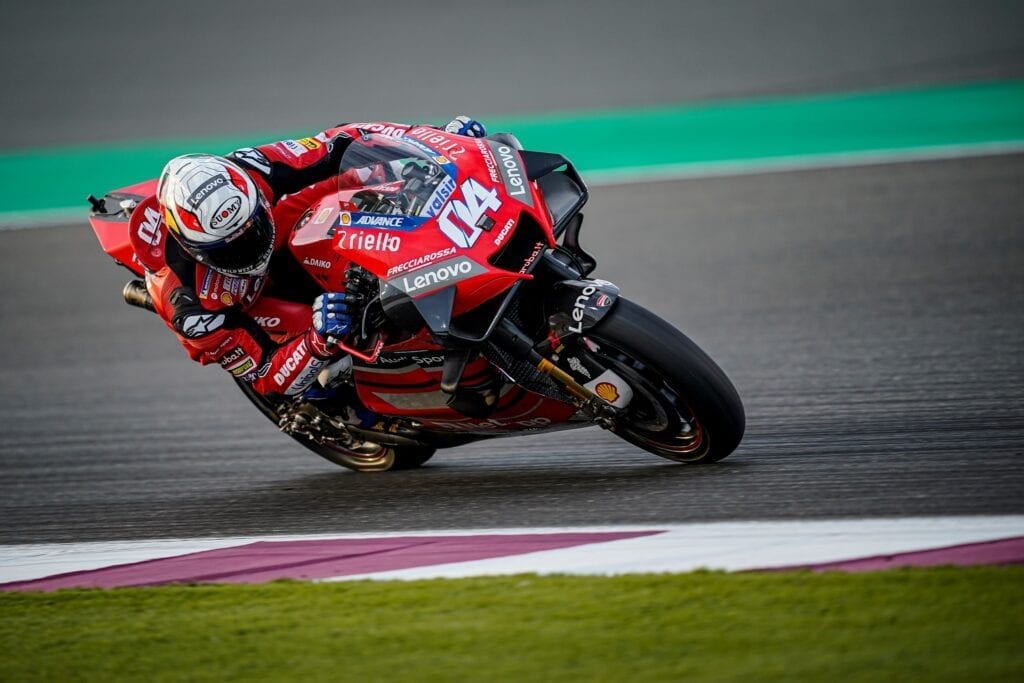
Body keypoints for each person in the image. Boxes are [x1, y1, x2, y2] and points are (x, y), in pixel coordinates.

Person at [142, 116, 487, 398]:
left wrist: (437, 140)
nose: (248, 247)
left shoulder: (253, 166)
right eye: (229, 247)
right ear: (193, 248)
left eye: (250, 230)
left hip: (282, 223)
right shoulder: (192, 309)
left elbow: (345, 140)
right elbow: (266, 376)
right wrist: (316, 342)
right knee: (327, 357)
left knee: (367, 177)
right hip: (247, 303)